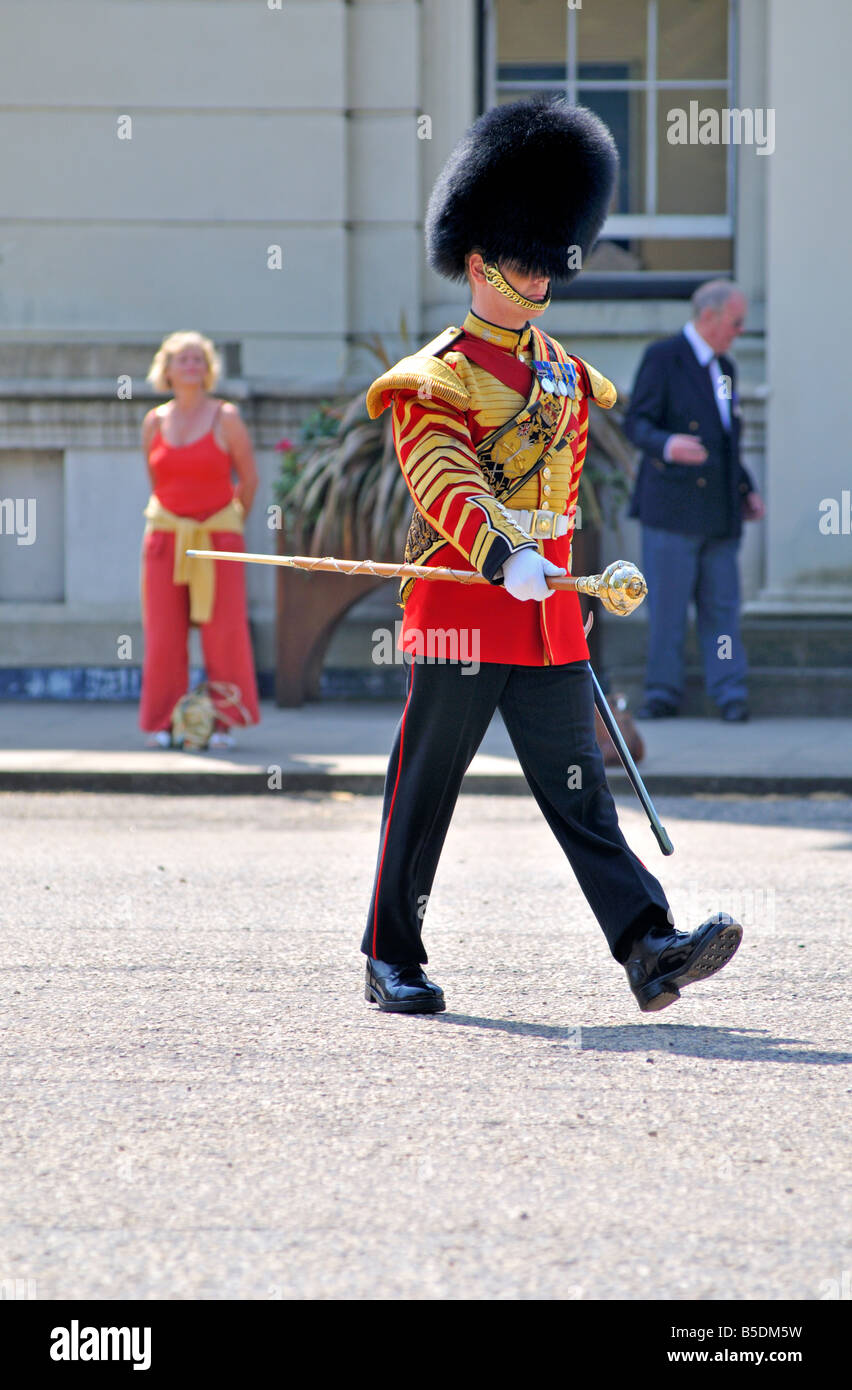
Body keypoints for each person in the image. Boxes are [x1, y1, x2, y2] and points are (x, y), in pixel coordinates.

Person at [359, 98, 742, 1016]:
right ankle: (390, 953)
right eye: (526, 262)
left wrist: (547, 578)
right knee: (426, 793)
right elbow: (442, 475)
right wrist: (500, 553)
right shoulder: (436, 375)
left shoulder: (566, 372)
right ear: (481, 261)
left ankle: (648, 946)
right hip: (461, 610)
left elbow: (562, 494)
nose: (540, 277)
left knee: (582, 796)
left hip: (547, 619)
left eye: (547, 260)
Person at [624, 281, 766, 722]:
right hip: (672, 509)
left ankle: (729, 693)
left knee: (722, 608)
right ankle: (662, 694)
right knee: (667, 608)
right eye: (736, 322)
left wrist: (746, 489)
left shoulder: (726, 368)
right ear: (709, 317)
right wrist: (667, 445)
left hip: (719, 512)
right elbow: (636, 423)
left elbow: (727, 439)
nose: (740, 331)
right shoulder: (663, 357)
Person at [139, 330, 261, 748]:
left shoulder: (226, 416)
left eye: (198, 359)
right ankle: (165, 722)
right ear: (167, 369)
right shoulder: (153, 421)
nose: (192, 365)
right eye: (183, 359)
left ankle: (224, 722)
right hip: (164, 537)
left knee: (223, 632)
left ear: (208, 370)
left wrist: (227, 522)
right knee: (164, 633)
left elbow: (248, 481)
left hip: (217, 538)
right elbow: (157, 481)